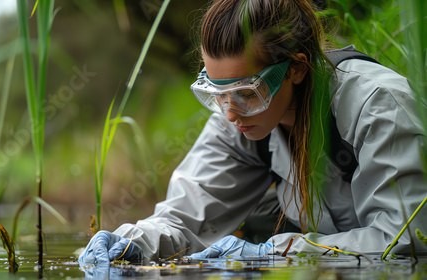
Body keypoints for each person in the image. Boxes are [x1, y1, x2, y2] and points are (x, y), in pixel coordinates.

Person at [78, 0, 427, 267]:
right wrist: (133, 241)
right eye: (217, 95)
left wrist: (274, 253)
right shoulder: (236, 120)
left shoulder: (377, 105)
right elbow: (184, 221)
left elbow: (407, 238)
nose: (230, 113)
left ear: (297, 69)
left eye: (247, 93)